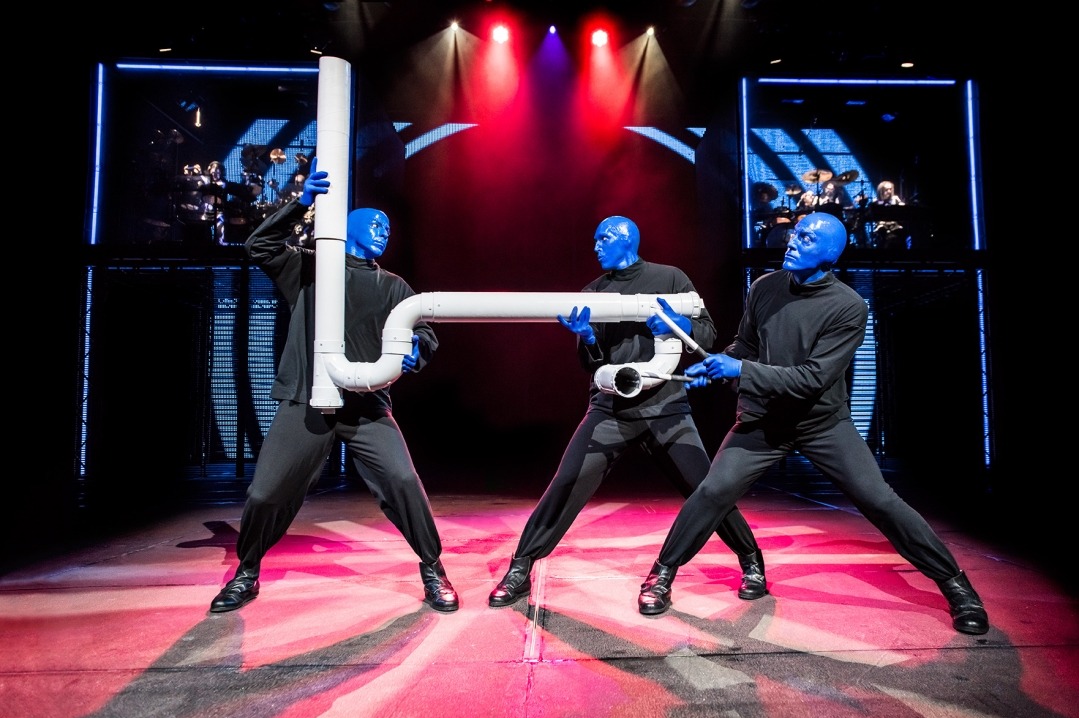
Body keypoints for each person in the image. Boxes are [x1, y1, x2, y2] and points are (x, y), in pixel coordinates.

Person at [635, 212, 989, 635]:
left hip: (822, 424)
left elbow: (813, 378)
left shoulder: (848, 307)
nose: (791, 239)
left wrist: (740, 371)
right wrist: (719, 365)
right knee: (712, 491)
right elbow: (745, 346)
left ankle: (956, 585)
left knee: (880, 501)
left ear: (831, 253)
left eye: (805, 236)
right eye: (794, 232)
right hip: (764, 421)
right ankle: (662, 574)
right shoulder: (764, 288)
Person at [209, 157, 459, 614]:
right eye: (373, 222)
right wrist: (300, 205)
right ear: (348, 228)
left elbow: (426, 333)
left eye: (387, 225)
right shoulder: (311, 268)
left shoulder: (395, 287)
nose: (383, 229)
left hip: (366, 405)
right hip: (306, 400)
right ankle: (247, 573)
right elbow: (259, 245)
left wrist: (414, 352)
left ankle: (433, 569)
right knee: (266, 493)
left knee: (402, 481)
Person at [488, 216, 767, 608]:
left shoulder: (671, 279)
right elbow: (594, 363)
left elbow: (705, 334)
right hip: (612, 410)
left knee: (708, 490)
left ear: (626, 239)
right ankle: (521, 567)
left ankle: (751, 560)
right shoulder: (594, 292)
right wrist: (586, 337)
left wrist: (677, 321)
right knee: (566, 482)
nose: (596, 246)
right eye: (595, 239)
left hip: (667, 407)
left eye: (603, 238)